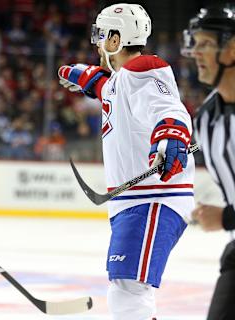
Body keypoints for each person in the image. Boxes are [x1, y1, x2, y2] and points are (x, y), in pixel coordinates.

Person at [58, 4, 194, 320]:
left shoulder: (143, 68)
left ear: (116, 40)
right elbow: (111, 90)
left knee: (129, 290)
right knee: (126, 289)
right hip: (137, 203)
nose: (95, 42)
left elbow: (167, 107)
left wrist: (171, 132)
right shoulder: (121, 80)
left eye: (100, 35)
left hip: (154, 199)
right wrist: (89, 79)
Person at [183, 5, 235, 319]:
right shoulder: (206, 118)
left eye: (206, 44)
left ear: (231, 49)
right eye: (195, 43)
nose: (196, 53)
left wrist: (227, 218)